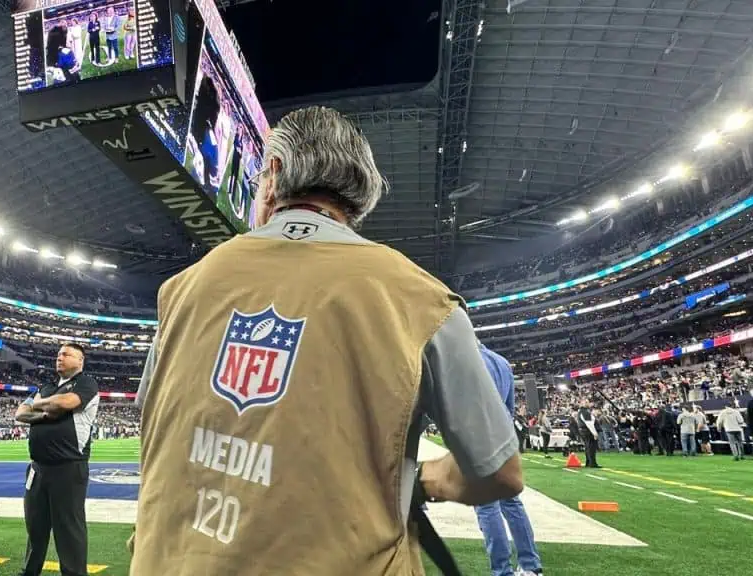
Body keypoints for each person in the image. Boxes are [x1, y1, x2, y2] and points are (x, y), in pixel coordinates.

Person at [129, 106, 523, 576]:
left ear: (272, 177)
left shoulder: (181, 288)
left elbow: (158, 425)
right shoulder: (421, 299)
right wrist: (430, 481)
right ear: (358, 199)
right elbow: (499, 471)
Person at [16, 344, 100, 576]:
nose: (59, 357)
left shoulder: (86, 383)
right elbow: (20, 413)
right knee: (35, 527)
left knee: (69, 530)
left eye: (66, 354)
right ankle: (29, 572)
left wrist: (38, 403)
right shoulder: (47, 386)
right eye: (58, 354)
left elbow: (66, 403)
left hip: (68, 467)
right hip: (37, 468)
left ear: (80, 360)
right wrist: (45, 410)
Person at [476, 344, 544, 576]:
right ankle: (530, 566)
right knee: (511, 502)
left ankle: (502, 571)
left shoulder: (462, 359)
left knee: (487, 505)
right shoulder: (502, 361)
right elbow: (510, 407)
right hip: (504, 435)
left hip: (479, 435)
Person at [576, 399, 600, 468]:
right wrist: (594, 433)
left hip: (584, 431)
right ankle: (592, 463)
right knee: (591, 448)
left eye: (588, 402)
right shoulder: (584, 412)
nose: (587, 403)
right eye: (586, 402)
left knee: (588, 447)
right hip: (588, 432)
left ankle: (588, 462)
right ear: (581, 404)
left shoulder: (581, 411)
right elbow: (589, 423)